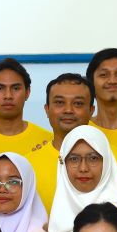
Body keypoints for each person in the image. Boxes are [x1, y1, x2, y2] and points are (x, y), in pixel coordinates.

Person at [27, 73, 96, 211]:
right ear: (47, 109)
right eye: (59, 102)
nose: (68, 110)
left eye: (78, 103)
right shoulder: (27, 166)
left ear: (91, 110)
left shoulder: (114, 160)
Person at [0, 58, 51, 160]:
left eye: (16, 88)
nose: (8, 96)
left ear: (27, 93)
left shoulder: (47, 141)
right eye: (0, 88)